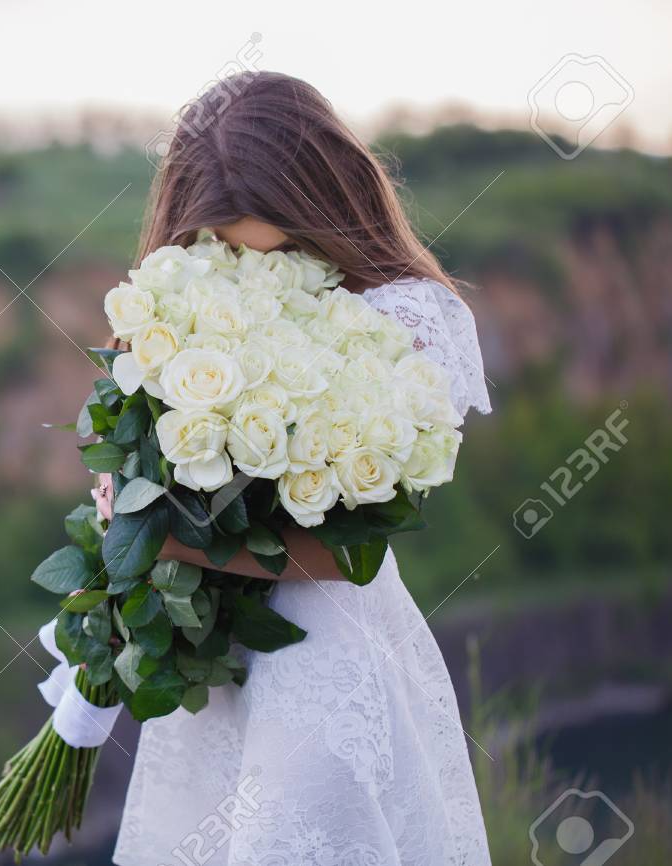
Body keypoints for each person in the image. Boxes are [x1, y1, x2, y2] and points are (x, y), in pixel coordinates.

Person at [100, 71, 493, 866]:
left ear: (326, 202)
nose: (257, 274)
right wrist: (129, 500)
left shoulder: (405, 317)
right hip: (221, 673)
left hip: (327, 661)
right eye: (225, 249)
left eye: (282, 250)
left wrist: (170, 542)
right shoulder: (188, 298)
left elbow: (349, 555)